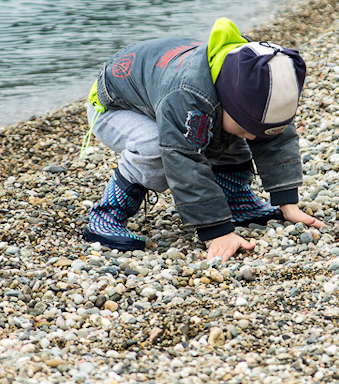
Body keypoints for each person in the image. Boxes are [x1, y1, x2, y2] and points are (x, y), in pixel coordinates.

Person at [81, 17, 324, 262]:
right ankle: (107, 214)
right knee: (157, 144)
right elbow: (183, 161)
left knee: (229, 132)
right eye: (246, 126)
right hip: (114, 106)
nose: (252, 136)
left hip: (165, 92)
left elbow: (276, 138)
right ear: (225, 99)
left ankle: (236, 200)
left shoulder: (259, 79)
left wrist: (287, 201)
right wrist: (217, 231)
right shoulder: (189, 95)